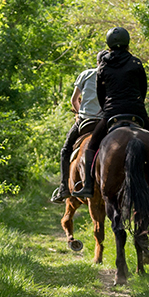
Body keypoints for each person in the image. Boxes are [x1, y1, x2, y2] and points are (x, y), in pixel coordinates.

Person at [72, 27, 149, 199]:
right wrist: (137, 105)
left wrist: (107, 110)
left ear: (109, 44)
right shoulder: (136, 63)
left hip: (111, 113)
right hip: (136, 111)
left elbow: (101, 93)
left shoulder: (103, 66)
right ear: (127, 43)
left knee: (93, 144)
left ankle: (87, 185)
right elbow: (143, 89)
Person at [49, 66, 103, 203]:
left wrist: (79, 114)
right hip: (105, 120)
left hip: (86, 120)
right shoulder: (112, 75)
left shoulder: (86, 74)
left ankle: (63, 188)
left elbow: (74, 100)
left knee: (66, 150)